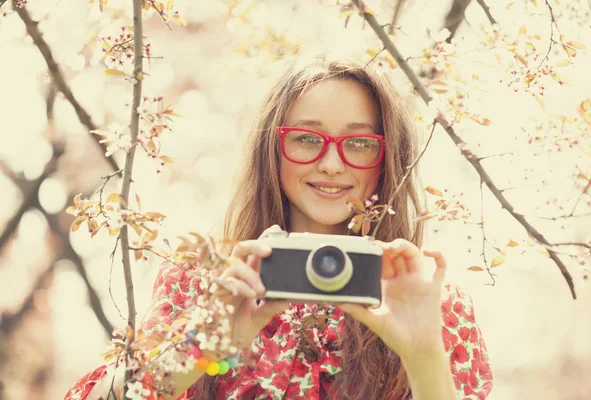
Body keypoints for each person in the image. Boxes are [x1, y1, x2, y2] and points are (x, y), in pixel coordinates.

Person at [65, 49, 493, 400]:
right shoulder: (203, 285)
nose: (330, 163)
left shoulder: (432, 306)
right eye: (307, 138)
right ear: (272, 149)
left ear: (388, 158)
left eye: (359, 143)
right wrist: (204, 344)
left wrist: (423, 359)